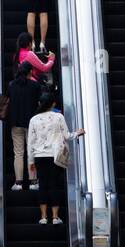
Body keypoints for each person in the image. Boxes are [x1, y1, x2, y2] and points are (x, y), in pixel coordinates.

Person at [26, 91, 84, 225]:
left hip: (39, 156)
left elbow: (30, 142)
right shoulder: (58, 117)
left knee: (42, 185)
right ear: (53, 104)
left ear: (40, 103)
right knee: (54, 185)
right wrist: (78, 133)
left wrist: (30, 161)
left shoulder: (34, 119)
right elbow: (67, 135)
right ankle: (55, 217)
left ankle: (43, 217)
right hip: (55, 156)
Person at [7, 61, 41, 192]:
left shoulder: (11, 85)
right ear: (30, 72)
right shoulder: (35, 86)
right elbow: (40, 102)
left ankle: (19, 183)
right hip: (31, 123)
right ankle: (33, 182)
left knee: (18, 153)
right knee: (31, 152)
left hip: (15, 123)